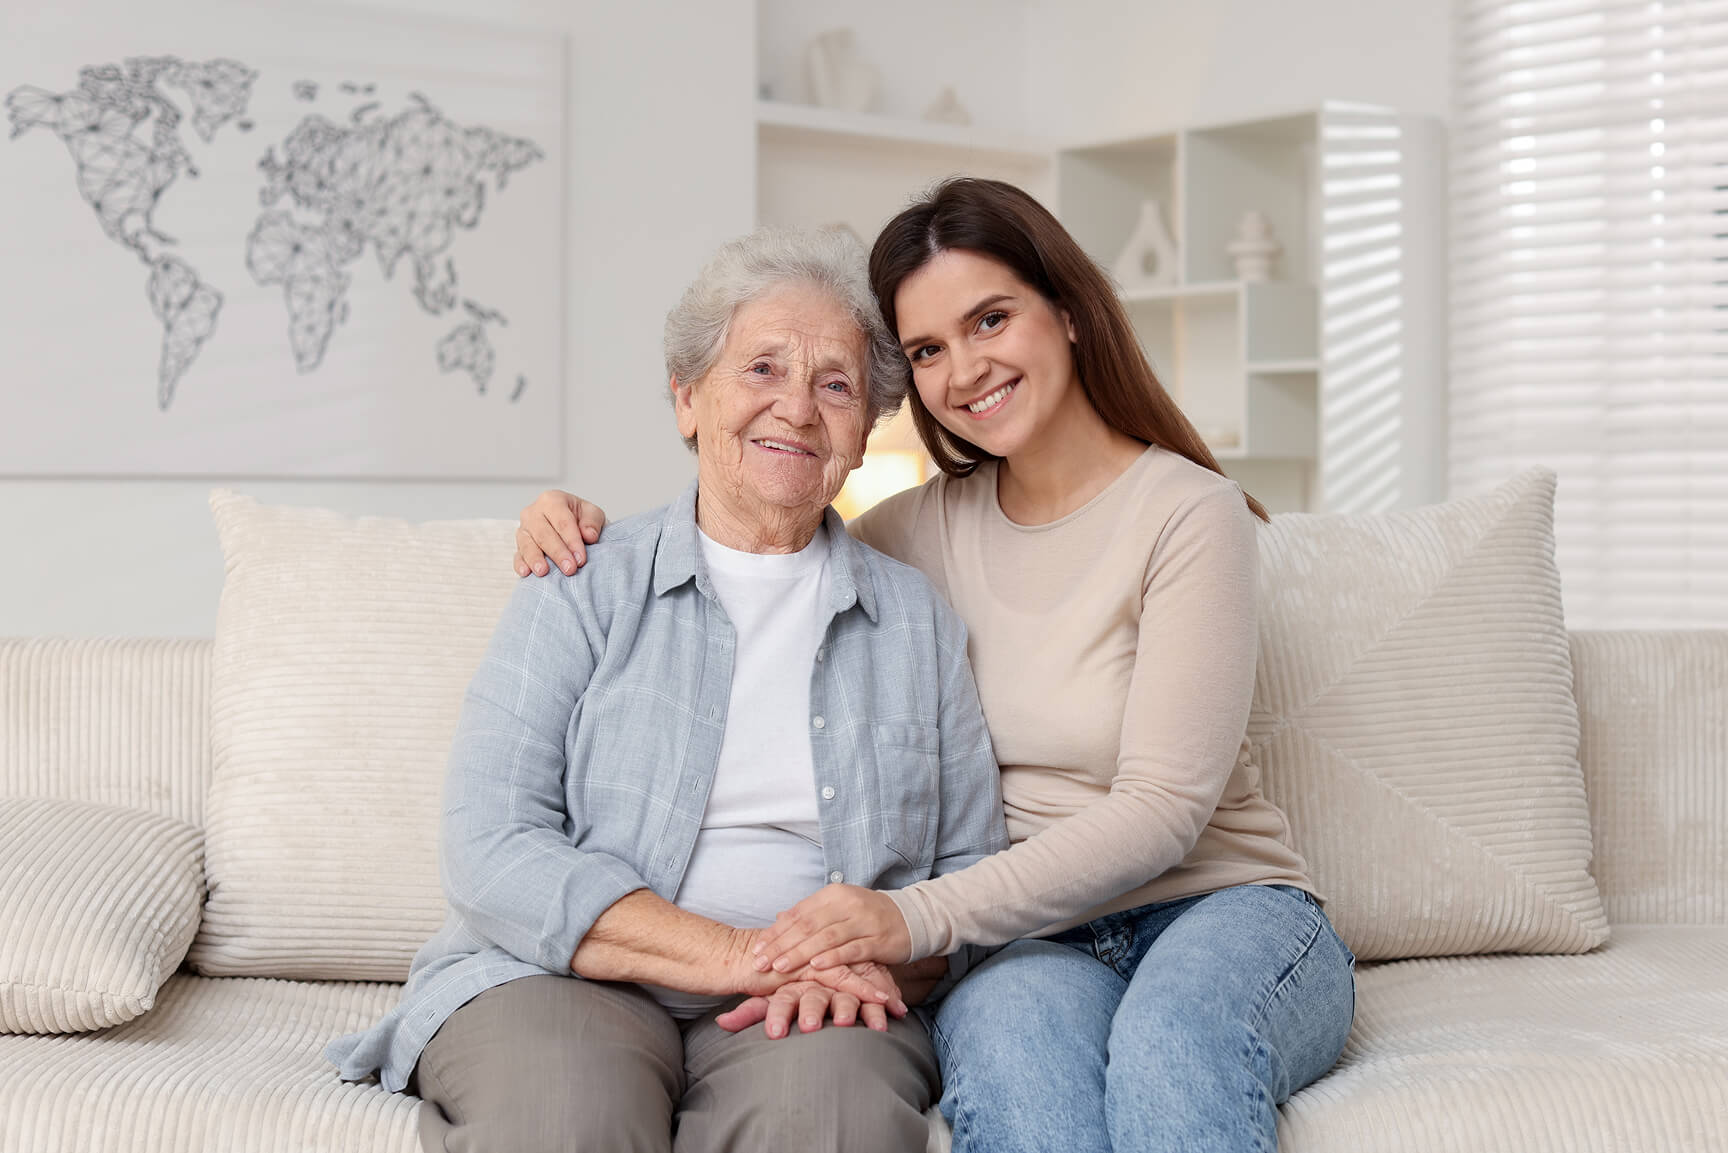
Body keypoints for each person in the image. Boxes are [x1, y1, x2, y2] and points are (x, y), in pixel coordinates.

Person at [513, 178, 1357, 1153]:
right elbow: (758, 525)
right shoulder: (908, 536)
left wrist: (907, 918)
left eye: (990, 319)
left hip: (1222, 907)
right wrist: (576, 527)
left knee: (1174, 1049)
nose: (964, 369)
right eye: (926, 350)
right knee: (1019, 1083)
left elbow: (1164, 809)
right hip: (1035, 942)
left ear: (1071, 314)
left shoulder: (1189, 514)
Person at [327, 225, 1009, 1153]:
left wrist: (872, 956)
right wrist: (743, 956)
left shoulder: (916, 621)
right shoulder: (581, 577)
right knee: (567, 1114)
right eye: (761, 368)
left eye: (835, 383)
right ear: (689, 399)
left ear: (864, 431)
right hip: (562, 979)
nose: (798, 408)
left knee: (831, 1120)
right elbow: (489, 842)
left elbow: (968, 887)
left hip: (819, 998)